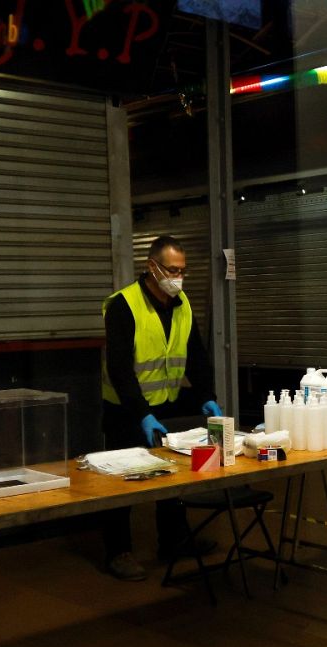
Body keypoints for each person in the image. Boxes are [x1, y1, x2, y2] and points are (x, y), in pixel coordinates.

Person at [100, 235, 222, 581]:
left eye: (182, 271)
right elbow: (120, 370)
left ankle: (173, 541)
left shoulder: (180, 303)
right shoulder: (124, 306)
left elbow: (195, 355)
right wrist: (141, 413)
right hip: (125, 409)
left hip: (165, 406)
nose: (178, 277)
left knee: (170, 476)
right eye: (172, 270)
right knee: (121, 481)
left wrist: (206, 394)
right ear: (151, 267)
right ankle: (119, 552)